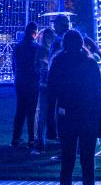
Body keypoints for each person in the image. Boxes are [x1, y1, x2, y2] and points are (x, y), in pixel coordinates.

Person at [46, 29, 101, 185]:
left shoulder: (58, 63)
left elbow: (51, 94)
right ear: (82, 43)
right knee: (88, 163)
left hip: (66, 118)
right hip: (87, 117)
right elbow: (99, 94)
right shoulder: (90, 63)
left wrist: (50, 122)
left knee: (67, 163)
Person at [11, 22, 41, 149]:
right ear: (34, 32)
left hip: (20, 81)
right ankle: (31, 139)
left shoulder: (18, 47)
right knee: (32, 111)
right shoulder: (36, 48)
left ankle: (16, 138)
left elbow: (14, 65)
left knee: (20, 110)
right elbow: (38, 65)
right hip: (32, 82)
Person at [45, 13, 70, 141]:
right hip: (58, 77)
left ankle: (57, 133)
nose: (54, 25)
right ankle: (55, 132)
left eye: (56, 23)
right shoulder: (61, 38)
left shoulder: (63, 39)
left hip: (59, 79)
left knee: (57, 106)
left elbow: (55, 58)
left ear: (61, 25)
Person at [31, 26, 55, 155]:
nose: (48, 38)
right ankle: (40, 142)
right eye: (47, 36)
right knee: (41, 114)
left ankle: (48, 140)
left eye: (50, 36)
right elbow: (36, 66)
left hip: (53, 85)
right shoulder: (41, 50)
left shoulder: (55, 49)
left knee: (53, 113)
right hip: (44, 85)